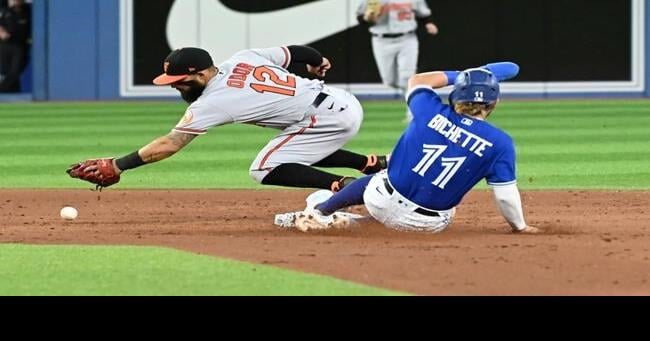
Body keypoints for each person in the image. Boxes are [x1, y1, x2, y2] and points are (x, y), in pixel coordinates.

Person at [66, 45, 388, 192]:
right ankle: (370, 163)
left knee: (263, 168)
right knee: (293, 146)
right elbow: (295, 52)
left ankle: (349, 188)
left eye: (181, 80)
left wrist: (118, 165)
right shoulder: (243, 58)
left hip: (326, 120)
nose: (176, 86)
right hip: (340, 103)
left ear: (203, 73)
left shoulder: (213, 102)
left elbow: (169, 144)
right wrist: (318, 63)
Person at [279, 62, 540, 234]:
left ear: (456, 95)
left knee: (380, 178)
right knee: (416, 209)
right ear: (493, 104)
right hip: (428, 224)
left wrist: (461, 75)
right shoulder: (501, 143)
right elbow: (505, 196)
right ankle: (349, 224)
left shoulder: (428, 109)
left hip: (379, 198)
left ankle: (322, 211)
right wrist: (520, 227)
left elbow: (418, 80)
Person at [357, 0, 439, 121]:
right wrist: (367, 17)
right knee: (389, 80)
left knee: (407, 76)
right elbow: (361, 19)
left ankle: (412, 114)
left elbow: (424, 14)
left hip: (407, 39)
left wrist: (429, 23)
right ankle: (413, 88)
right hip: (381, 40)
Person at [0, 0, 31, 93]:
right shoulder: (3, 7)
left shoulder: (28, 9)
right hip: (4, 45)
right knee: (5, 72)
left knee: (15, 71)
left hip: (20, 45)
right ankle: (12, 97)